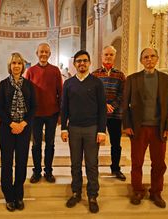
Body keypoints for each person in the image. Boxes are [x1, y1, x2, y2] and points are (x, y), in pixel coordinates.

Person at [123, 48, 168, 208]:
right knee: (137, 162)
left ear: (157, 59)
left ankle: (156, 192)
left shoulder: (166, 79)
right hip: (139, 128)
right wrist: (127, 125)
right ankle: (137, 190)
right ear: (141, 60)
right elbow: (125, 105)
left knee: (159, 163)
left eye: (152, 56)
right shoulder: (132, 79)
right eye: (146, 57)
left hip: (159, 128)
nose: (149, 59)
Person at [61, 50, 107, 213]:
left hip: (92, 129)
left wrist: (102, 130)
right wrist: (64, 128)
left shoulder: (96, 83)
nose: (82, 63)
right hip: (73, 128)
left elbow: (102, 108)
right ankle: (76, 192)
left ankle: (93, 195)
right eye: (79, 61)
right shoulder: (68, 83)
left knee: (92, 164)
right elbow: (64, 107)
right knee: (75, 163)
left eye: (85, 61)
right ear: (74, 64)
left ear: (89, 63)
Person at [0, 52, 36, 212]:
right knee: (7, 164)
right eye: (14, 63)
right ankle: (9, 196)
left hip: (24, 129)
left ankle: (19, 194)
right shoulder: (3, 84)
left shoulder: (28, 85)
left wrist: (23, 123)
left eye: (19, 63)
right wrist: (12, 123)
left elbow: (33, 107)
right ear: (10, 66)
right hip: (7, 129)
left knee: (21, 163)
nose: (17, 66)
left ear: (23, 66)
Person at [25, 43, 63, 183]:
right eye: (41, 51)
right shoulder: (30, 71)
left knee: (50, 144)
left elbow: (61, 92)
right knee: (36, 145)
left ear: (50, 54)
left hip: (52, 113)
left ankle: (48, 171)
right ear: (37, 53)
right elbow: (26, 93)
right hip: (35, 115)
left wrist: (60, 114)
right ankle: (36, 171)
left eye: (46, 52)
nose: (44, 54)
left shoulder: (55, 70)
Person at [91, 46, 126, 181]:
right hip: (98, 115)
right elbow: (92, 95)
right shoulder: (94, 75)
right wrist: (103, 105)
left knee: (116, 144)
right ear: (101, 56)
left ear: (114, 56)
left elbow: (123, 94)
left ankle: (116, 168)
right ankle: (93, 169)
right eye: (106, 54)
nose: (108, 57)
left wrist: (112, 106)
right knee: (95, 143)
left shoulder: (120, 75)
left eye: (111, 54)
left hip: (115, 115)